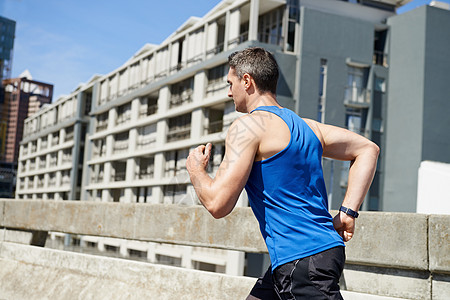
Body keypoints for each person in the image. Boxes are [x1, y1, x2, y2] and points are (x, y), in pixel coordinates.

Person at [186, 47, 379, 299]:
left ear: (247, 81)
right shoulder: (308, 127)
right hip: (313, 254)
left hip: (302, 261)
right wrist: (347, 213)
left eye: (230, 83)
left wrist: (195, 170)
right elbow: (367, 149)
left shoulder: (248, 126)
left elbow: (217, 204)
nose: (229, 91)